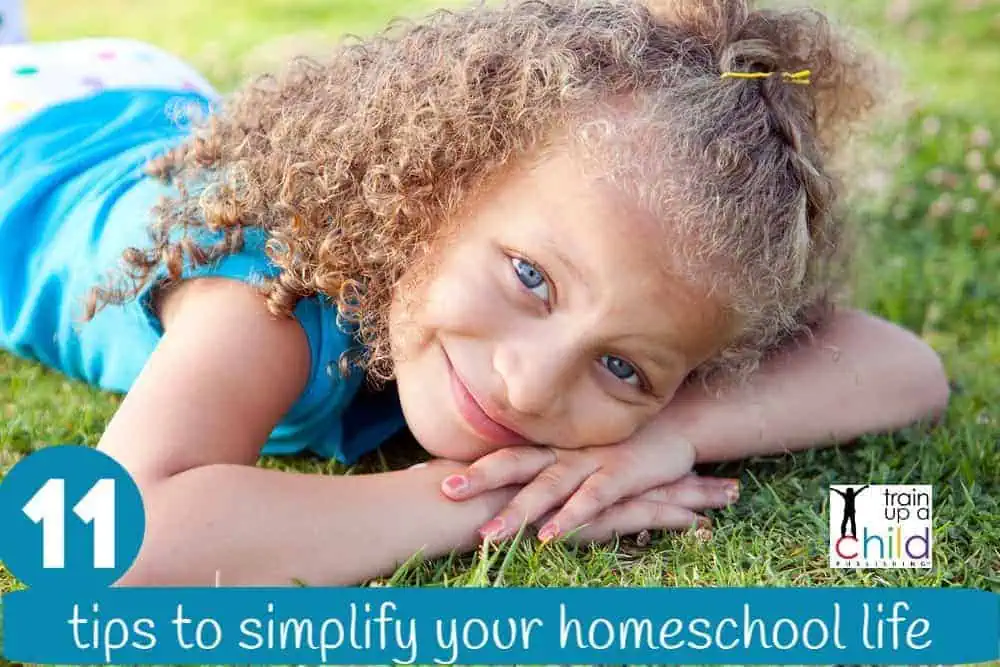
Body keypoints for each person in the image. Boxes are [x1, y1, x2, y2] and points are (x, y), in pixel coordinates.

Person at [0, 0, 949, 586]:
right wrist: (472, 505)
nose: (533, 390)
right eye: (531, 277)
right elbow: (103, 548)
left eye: (624, 366)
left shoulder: (588, 310)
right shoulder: (269, 292)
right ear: (436, 187)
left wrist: (671, 436)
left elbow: (901, 367)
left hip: (145, 99)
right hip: (31, 134)